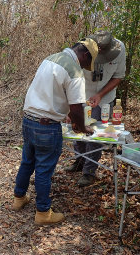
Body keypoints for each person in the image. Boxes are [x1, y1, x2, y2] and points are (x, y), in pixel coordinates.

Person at [12, 38, 98, 225]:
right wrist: (82, 127)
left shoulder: (51, 58)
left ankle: (19, 198)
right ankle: (43, 212)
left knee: (27, 162)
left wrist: (64, 112)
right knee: (44, 169)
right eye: (86, 63)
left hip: (28, 120)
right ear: (84, 55)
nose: (84, 66)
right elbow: (76, 108)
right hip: (46, 127)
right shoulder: (74, 70)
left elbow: (50, 92)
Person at [65, 31, 126, 187]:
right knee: (78, 129)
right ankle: (79, 160)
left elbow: (118, 76)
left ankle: (89, 172)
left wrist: (99, 95)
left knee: (96, 134)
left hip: (104, 98)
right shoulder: (83, 49)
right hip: (82, 94)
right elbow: (72, 75)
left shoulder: (120, 49)